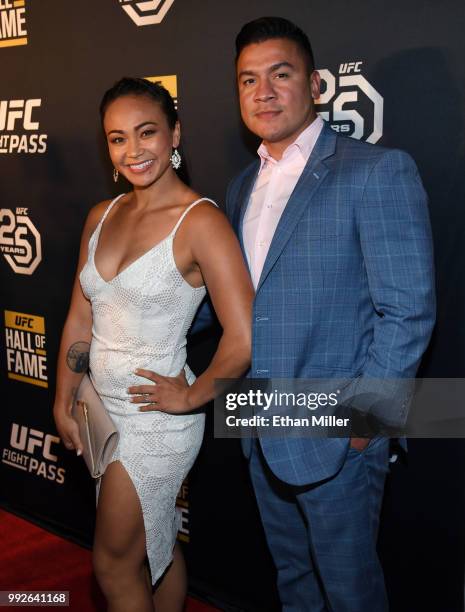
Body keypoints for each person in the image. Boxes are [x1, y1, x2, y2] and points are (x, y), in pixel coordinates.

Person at [185, 16, 435, 612]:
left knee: (351, 594)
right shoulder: (241, 188)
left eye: (280, 74)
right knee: (294, 582)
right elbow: (233, 305)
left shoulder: (375, 171)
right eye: (248, 80)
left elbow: (409, 311)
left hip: (336, 437)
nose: (263, 92)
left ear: (316, 84)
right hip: (259, 425)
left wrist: (361, 428)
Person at [53, 77, 253, 612]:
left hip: (155, 418)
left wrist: (191, 397)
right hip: (102, 409)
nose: (133, 150)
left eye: (146, 133)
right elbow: (79, 318)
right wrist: (63, 394)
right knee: (154, 543)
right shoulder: (102, 215)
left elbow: (243, 337)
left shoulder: (201, 221)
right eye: (118, 139)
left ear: (174, 134)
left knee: (113, 563)